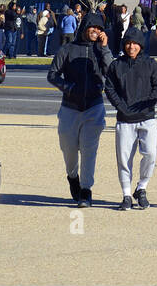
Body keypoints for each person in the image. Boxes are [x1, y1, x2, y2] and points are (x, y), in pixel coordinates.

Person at [47, 12, 113, 208]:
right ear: (84, 28)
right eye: (93, 27)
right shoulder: (67, 49)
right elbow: (52, 74)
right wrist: (67, 87)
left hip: (94, 107)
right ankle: (72, 176)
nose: (96, 31)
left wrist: (105, 48)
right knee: (68, 149)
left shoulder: (102, 51)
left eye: (100, 28)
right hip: (70, 108)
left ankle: (86, 190)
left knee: (89, 150)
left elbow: (112, 72)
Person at [104, 27, 157, 210]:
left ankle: (142, 187)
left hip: (147, 117)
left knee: (150, 154)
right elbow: (110, 88)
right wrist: (121, 106)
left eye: (135, 43)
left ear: (141, 45)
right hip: (125, 119)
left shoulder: (150, 64)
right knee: (124, 159)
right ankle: (126, 194)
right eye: (128, 43)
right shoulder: (117, 65)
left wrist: (148, 103)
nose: (131, 47)